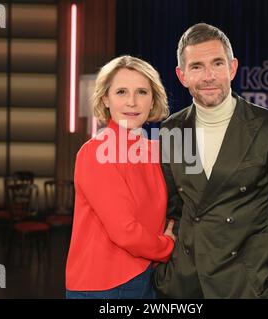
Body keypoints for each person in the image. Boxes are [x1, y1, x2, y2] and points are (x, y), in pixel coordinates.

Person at [153, 23, 268, 299]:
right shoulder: (171, 130)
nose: (209, 76)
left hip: (247, 284)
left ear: (233, 67)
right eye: (197, 66)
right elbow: (172, 209)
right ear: (182, 75)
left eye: (217, 63)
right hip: (184, 284)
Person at [66, 55, 176, 299]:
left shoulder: (154, 150)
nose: (132, 102)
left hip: (148, 275)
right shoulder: (94, 152)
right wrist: (168, 247)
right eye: (121, 92)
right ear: (105, 98)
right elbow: (124, 230)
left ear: (153, 99)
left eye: (142, 92)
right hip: (103, 285)